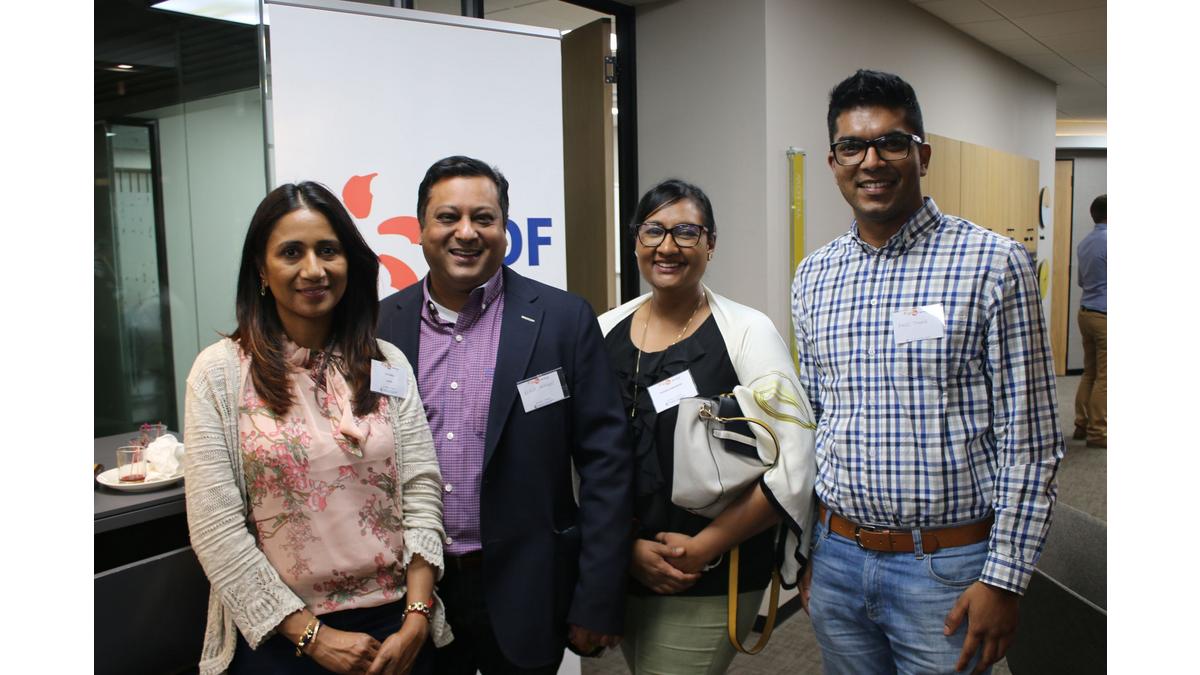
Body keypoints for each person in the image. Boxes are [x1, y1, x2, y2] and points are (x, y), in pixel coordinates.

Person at [790, 70, 1064, 674]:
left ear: (923, 154)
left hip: (947, 570)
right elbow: (814, 423)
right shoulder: (814, 276)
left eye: (892, 142)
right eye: (852, 147)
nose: (871, 161)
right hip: (837, 559)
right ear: (833, 162)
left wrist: (1005, 579)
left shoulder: (994, 265)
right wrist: (807, 552)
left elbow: (1032, 441)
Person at [376, 156, 634, 674]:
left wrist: (598, 596)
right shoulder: (380, 325)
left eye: (483, 218)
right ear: (421, 228)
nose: (466, 232)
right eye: (448, 217)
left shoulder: (563, 320)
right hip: (412, 590)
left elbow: (607, 464)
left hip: (529, 588)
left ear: (505, 228)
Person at [183, 182, 450, 675]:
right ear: (261, 269)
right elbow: (215, 528)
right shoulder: (219, 374)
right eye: (291, 252)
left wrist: (417, 615)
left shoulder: (387, 363)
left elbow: (420, 487)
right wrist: (314, 636)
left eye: (328, 250)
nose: (314, 269)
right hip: (282, 640)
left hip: (399, 629)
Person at [597, 179, 817, 674]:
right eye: (653, 231)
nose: (667, 247)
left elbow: (795, 457)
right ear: (636, 240)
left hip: (710, 571)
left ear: (711, 244)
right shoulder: (605, 330)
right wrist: (624, 550)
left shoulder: (746, 332)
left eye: (686, 232)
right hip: (624, 565)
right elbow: (584, 454)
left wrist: (703, 548)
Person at [1074, 194, 1107, 448]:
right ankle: (1098, 433)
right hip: (1105, 316)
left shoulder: (1085, 243)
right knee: (1106, 377)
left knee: (1089, 372)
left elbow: (1081, 281)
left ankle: (1082, 424)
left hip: (1086, 313)